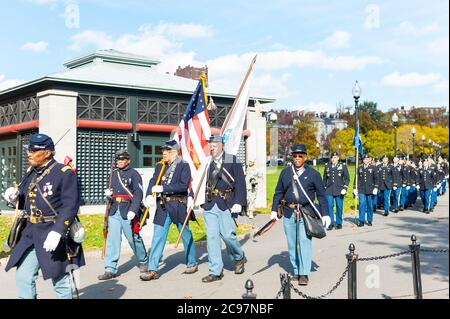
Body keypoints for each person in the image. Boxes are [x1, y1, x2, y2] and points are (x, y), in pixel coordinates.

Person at [3, 133, 84, 299]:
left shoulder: (63, 173)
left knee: (60, 280)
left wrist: (58, 231)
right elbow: (25, 199)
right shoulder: (31, 172)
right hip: (31, 232)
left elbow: (70, 205)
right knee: (24, 277)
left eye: (33, 150)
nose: (29, 153)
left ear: (47, 153)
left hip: (52, 232)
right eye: (29, 149)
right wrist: (14, 198)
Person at [270, 144, 330, 286]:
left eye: (300, 156)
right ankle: (296, 271)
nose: (297, 158)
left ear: (305, 157)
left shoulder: (314, 174)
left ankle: (304, 273)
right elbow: (278, 192)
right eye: (295, 155)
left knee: (304, 243)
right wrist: (273, 210)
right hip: (289, 212)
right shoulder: (285, 173)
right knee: (292, 244)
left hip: (305, 213)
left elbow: (321, 196)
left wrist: (325, 214)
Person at [140, 140, 198, 281]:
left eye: (167, 150)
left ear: (174, 152)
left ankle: (192, 262)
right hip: (163, 206)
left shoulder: (183, 165)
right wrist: (148, 194)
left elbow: (183, 185)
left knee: (185, 234)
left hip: (178, 204)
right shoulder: (160, 166)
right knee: (158, 237)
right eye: (163, 151)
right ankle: (153, 269)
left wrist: (164, 188)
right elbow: (153, 181)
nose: (164, 153)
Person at [201, 134, 247, 283]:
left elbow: (240, 183)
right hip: (210, 203)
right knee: (212, 237)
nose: (211, 146)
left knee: (228, 236)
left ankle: (239, 257)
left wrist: (239, 202)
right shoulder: (209, 162)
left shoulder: (231, 159)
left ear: (222, 144)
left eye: (214, 143)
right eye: (210, 143)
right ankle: (215, 271)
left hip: (227, 203)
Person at [98, 149, 148, 280]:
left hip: (128, 209)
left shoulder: (134, 174)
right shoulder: (113, 174)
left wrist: (133, 209)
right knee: (112, 239)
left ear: (128, 161)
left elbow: (138, 193)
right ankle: (110, 268)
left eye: (122, 160)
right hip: (114, 209)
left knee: (133, 238)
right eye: (118, 160)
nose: (120, 162)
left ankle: (143, 259)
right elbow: (113, 190)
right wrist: (109, 193)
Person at [322, 151, 349, 230]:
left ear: (338, 158)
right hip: (329, 190)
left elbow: (347, 178)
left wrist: (345, 188)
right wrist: (323, 188)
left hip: (339, 190)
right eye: (332, 158)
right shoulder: (327, 166)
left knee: (339, 207)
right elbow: (324, 179)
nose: (333, 159)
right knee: (329, 206)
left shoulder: (343, 166)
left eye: (335, 158)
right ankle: (330, 223)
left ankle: (339, 223)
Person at [353, 154, 378, 227]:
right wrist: (355, 187)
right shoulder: (359, 168)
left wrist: (376, 187)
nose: (365, 160)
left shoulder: (373, 167)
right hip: (361, 189)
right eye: (364, 159)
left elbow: (376, 178)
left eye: (367, 159)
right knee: (362, 204)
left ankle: (369, 220)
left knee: (370, 205)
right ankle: (361, 220)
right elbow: (356, 178)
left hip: (370, 189)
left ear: (369, 160)